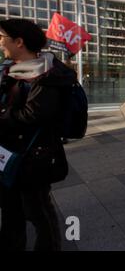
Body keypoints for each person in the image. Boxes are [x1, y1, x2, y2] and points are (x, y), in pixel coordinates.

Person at [0, 19, 76, 251]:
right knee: (10, 210)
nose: (0, 42)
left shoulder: (47, 74)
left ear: (19, 42)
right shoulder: (11, 69)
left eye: (2, 37)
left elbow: (34, 114)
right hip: (10, 152)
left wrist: (2, 115)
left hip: (35, 157)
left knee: (38, 211)